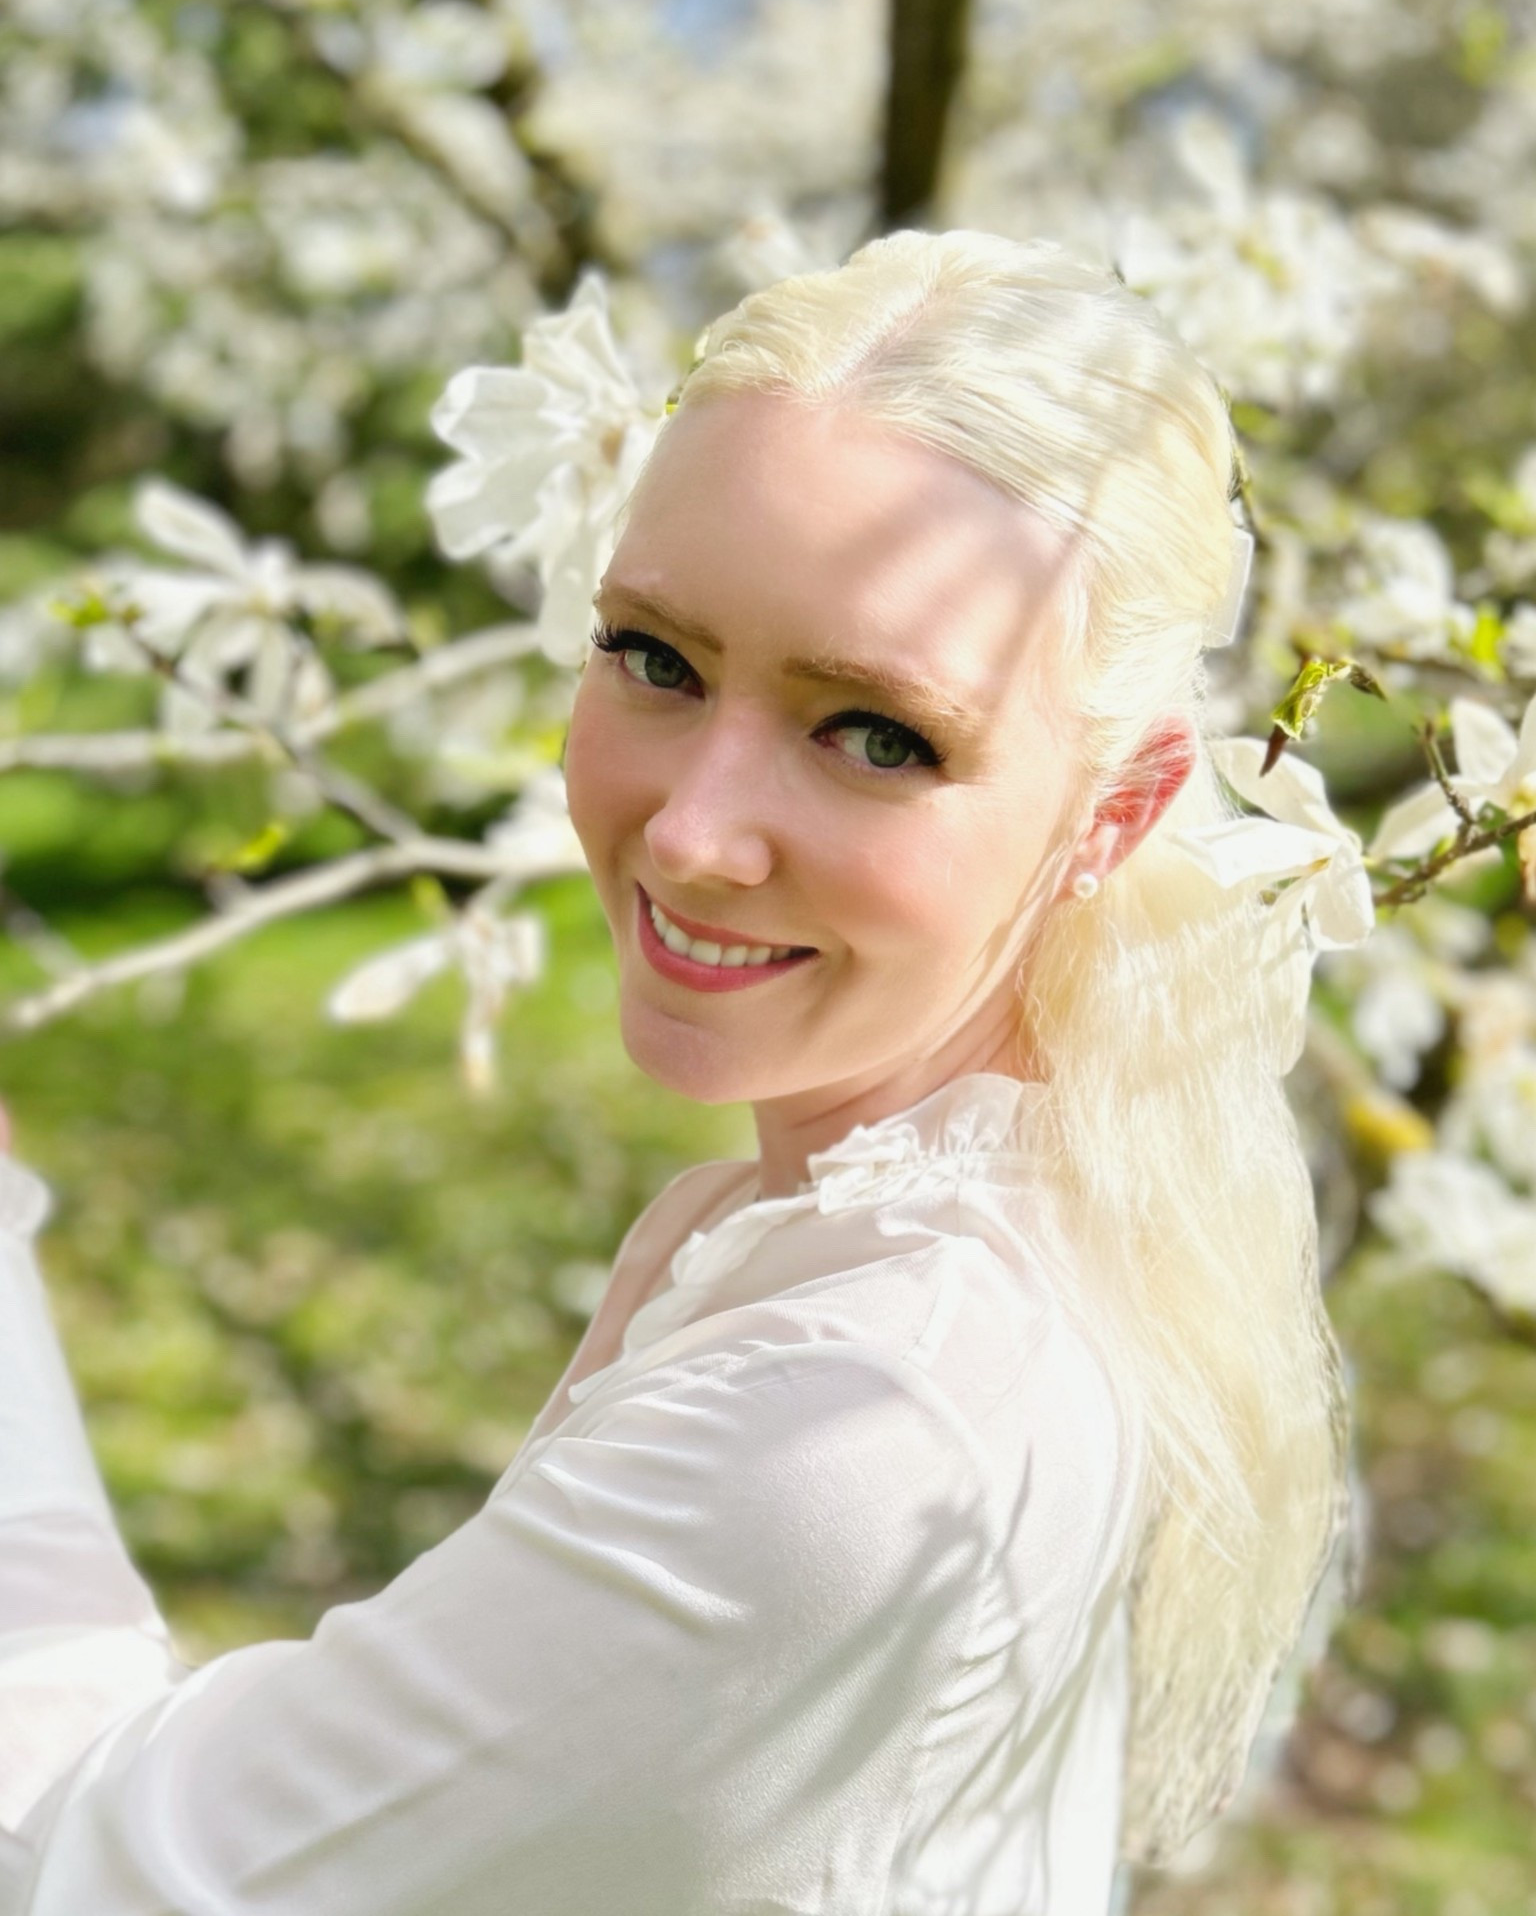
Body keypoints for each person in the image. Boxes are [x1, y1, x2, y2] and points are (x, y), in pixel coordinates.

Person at [0, 230, 1351, 1913]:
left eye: (877, 736)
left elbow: (99, 1875)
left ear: (1118, 811)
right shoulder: (969, 1236)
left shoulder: (861, 1424)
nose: (696, 835)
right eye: (655, 658)